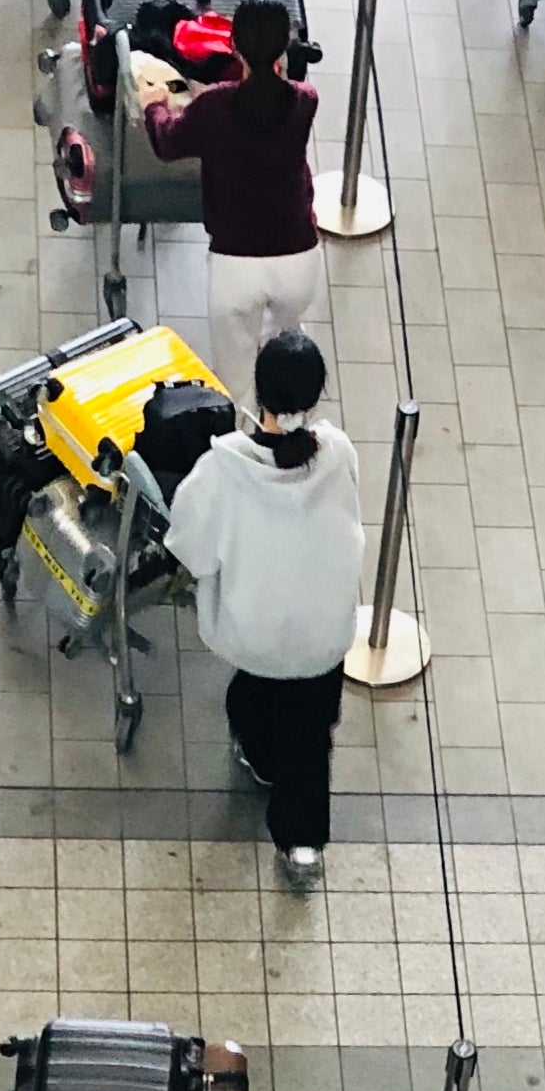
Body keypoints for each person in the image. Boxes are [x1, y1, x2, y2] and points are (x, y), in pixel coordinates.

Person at [167, 331, 365, 891]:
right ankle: (301, 845)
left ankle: (256, 752)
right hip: (324, 634)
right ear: (318, 393)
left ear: (259, 392)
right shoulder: (338, 452)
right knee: (309, 726)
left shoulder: (224, 468)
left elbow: (192, 547)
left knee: (258, 692)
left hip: (252, 633)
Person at [142, 0, 322, 367]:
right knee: (287, 360)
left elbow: (168, 143)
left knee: (235, 377)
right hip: (299, 256)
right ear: (285, 46)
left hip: (234, 262)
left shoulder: (214, 107)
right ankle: (291, 416)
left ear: (234, 46)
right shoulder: (305, 100)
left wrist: (155, 105)